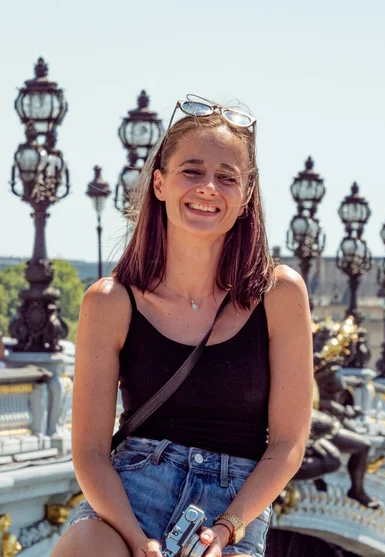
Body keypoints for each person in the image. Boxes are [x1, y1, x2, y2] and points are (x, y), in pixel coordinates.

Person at [52, 96, 314, 557]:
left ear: (247, 193)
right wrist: (137, 540)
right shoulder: (111, 302)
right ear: (159, 183)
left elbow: (289, 444)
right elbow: (91, 454)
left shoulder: (280, 295)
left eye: (227, 177)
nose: (209, 187)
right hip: (129, 501)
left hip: (231, 511)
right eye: (191, 171)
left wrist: (226, 528)